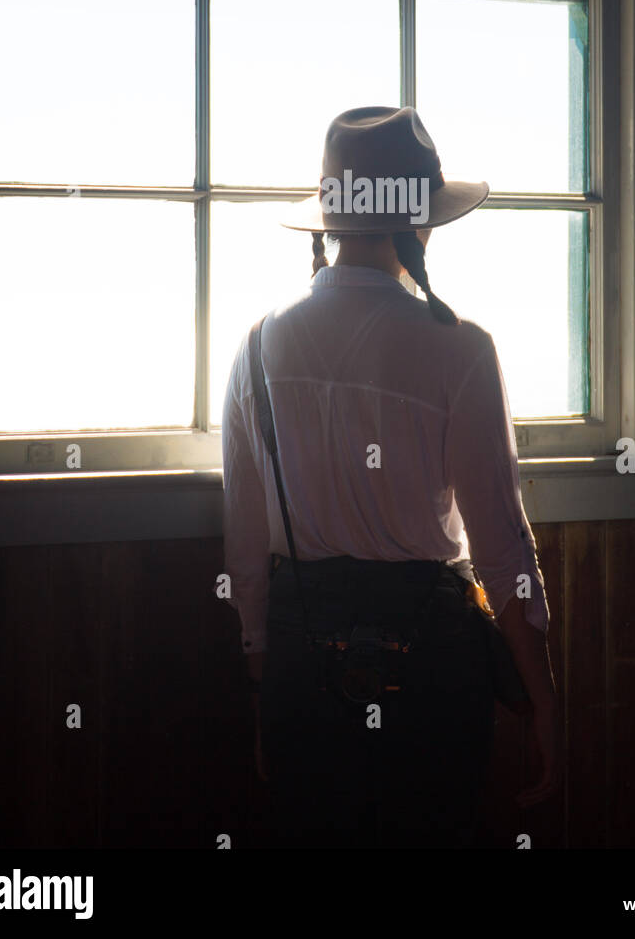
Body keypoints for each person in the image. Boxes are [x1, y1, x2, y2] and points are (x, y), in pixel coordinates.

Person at [221, 105, 561, 849]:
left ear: (329, 220)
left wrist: (262, 690)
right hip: (433, 664)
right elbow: (503, 552)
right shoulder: (460, 349)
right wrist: (543, 705)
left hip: (301, 661)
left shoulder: (256, 348)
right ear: (416, 226)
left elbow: (246, 551)